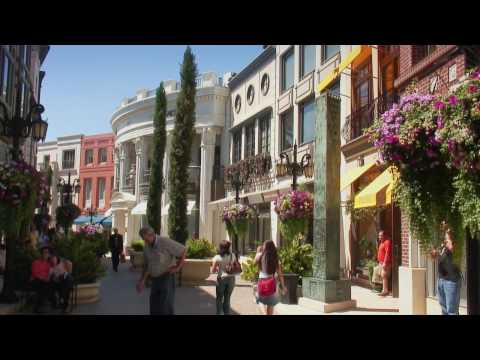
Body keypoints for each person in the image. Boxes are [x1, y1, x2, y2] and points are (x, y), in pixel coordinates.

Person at [136, 226, 186, 315]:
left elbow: (183, 250)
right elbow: (147, 265)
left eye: (146, 239)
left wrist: (177, 268)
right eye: (143, 239)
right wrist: (142, 280)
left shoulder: (165, 241)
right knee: (154, 306)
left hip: (167, 277)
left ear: (152, 235)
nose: (145, 242)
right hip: (155, 279)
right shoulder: (146, 247)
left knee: (165, 307)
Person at [431, 226, 462, 315]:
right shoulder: (442, 244)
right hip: (441, 279)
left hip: (451, 280)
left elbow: (451, 248)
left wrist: (448, 237)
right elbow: (432, 256)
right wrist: (434, 252)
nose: (442, 228)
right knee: (444, 310)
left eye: (445, 228)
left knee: (452, 311)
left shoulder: (455, 241)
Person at [254, 241, 287, 315]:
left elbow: (254, 263)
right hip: (272, 283)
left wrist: (258, 252)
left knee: (260, 301)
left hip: (262, 282)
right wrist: (283, 286)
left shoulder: (259, 256)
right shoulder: (276, 259)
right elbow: (280, 274)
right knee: (271, 304)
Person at [211, 240, 237, 315]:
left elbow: (212, 271)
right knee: (227, 298)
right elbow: (234, 266)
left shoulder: (217, 257)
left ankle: (219, 313)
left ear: (221, 247)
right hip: (231, 278)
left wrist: (217, 268)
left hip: (221, 279)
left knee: (219, 298)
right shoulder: (233, 255)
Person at [30, 246, 55, 313]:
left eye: (47, 253)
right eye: (44, 253)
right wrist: (44, 279)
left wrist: (48, 278)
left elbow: (51, 273)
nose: (45, 254)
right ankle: (46, 304)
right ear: (41, 254)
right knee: (43, 285)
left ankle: (38, 306)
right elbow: (35, 273)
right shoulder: (36, 262)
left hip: (46, 282)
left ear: (49, 254)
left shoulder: (49, 264)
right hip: (36, 280)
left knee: (48, 285)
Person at [376, 230, 392, 297]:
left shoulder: (387, 242)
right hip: (381, 262)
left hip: (386, 262)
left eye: (381, 235)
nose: (379, 237)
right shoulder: (381, 242)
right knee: (383, 276)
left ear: (385, 236)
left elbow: (387, 253)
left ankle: (385, 291)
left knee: (384, 275)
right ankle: (384, 290)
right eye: (379, 235)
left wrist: (385, 262)